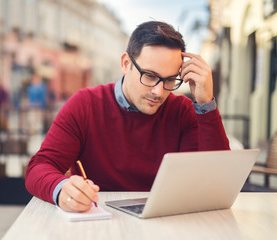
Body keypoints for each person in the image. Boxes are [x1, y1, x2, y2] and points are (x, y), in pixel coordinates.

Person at [25, 21, 230, 213]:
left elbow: (217, 184)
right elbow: (39, 167)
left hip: (166, 223)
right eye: (149, 76)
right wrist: (62, 189)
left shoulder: (183, 111)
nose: (159, 92)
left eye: (169, 80)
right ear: (125, 63)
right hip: (99, 220)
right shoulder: (85, 104)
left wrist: (206, 104)